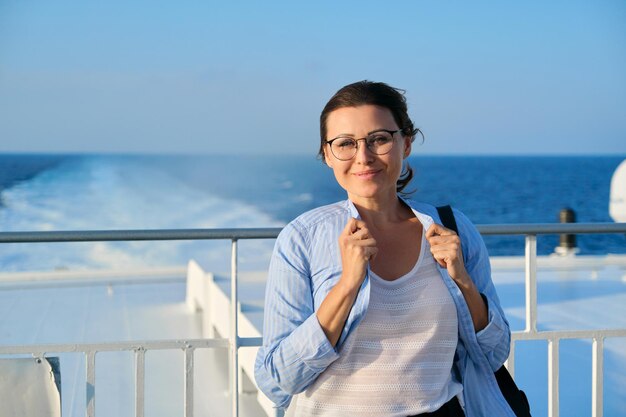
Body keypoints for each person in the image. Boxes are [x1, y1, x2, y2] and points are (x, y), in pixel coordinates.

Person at [254, 81, 514, 417]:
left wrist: (463, 280)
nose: (363, 157)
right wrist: (347, 285)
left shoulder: (454, 229)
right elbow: (276, 379)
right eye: (345, 143)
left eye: (379, 139)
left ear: (405, 143)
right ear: (327, 155)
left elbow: (494, 354)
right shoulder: (302, 238)